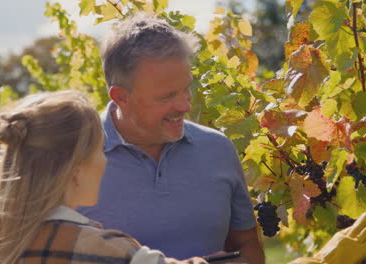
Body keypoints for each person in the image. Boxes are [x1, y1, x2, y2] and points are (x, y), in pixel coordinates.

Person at [76, 13, 264, 264]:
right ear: (120, 97)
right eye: (166, 96)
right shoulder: (71, 160)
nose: (184, 105)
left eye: (186, 88)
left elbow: (246, 243)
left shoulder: (217, 149)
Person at [0, 90, 209, 264]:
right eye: (99, 150)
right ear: (75, 170)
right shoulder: (106, 251)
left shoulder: (0, 245)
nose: (105, 160)